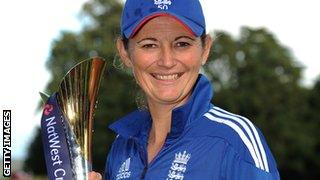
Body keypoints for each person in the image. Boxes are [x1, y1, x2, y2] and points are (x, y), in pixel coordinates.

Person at [90, 0, 280, 179]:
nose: (167, 61)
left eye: (182, 44)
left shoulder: (234, 141)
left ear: (205, 49)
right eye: (149, 45)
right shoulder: (122, 146)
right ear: (125, 53)